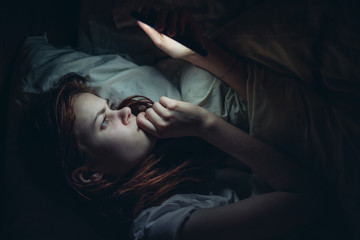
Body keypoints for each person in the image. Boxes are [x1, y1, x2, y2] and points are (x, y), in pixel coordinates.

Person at [28, 7, 322, 240]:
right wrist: (206, 126)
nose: (125, 112)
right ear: (91, 175)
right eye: (104, 121)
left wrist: (197, 51)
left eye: (112, 106)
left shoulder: (172, 163)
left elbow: (278, 116)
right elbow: (308, 199)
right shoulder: (160, 226)